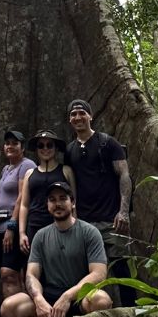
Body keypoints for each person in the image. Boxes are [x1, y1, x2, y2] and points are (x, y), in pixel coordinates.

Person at [0, 181, 113, 317]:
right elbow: (32, 275)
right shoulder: (41, 236)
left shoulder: (90, 232)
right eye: (52, 200)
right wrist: (39, 300)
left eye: (62, 198)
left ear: (72, 203)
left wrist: (67, 297)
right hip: (50, 299)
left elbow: (99, 274)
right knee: (9, 307)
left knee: (101, 301)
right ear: (47, 205)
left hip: (80, 297)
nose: (57, 204)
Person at [0, 130, 75, 317]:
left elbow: (73, 200)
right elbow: (23, 204)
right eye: (41, 146)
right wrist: (20, 231)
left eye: (50, 145)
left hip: (57, 227)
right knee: (21, 273)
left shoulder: (66, 170)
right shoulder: (31, 173)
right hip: (33, 226)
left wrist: (73, 228)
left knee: (48, 274)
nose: (45, 149)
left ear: (55, 148)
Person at [64, 99, 132, 237]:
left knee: (117, 259)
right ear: (69, 119)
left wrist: (123, 212)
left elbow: (124, 175)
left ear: (90, 116)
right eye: (73, 114)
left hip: (112, 222)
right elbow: (71, 186)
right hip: (84, 224)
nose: (77, 117)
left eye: (82, 113)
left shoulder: (108, 143)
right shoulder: (69, 150)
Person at [0, 129, 35, 295]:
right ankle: (9, 312)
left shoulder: (26, 165)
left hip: (13, 228)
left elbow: (22, 197)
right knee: (1, 273)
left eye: (15, 143)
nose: (10, 146)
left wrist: (12, 227)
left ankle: (14, 315)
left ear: (23, 147)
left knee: (9, 272)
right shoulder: (6, 168)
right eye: (7, 143)